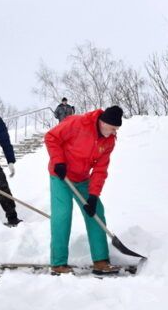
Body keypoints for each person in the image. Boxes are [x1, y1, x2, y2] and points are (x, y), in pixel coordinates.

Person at [43, 105, 124, 275]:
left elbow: (100, 170)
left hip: (82, 179)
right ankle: (58, 264)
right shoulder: (78, 123)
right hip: (61, 176)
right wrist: (58, 161)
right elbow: (51, 137)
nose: (113, 132)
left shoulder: (108, 141)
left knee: (96, 212)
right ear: (103, 122)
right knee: (63, 214)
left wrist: (93, 196)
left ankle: (101, 261)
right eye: (112, 128)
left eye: (116, 129)